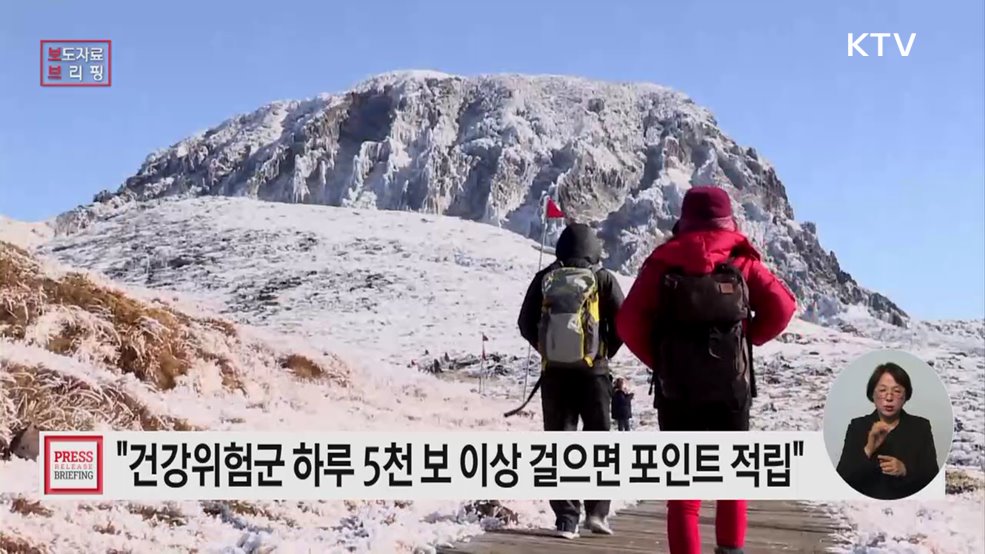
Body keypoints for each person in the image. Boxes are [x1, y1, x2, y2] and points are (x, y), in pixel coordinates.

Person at [615, 186, 797, 554]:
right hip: (731, 390)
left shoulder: (663, 262)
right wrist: (746, 342)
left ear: (684, 220)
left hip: (677, 392)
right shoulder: (743, 262)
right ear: (729, 220)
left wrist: (662, 361)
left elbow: (627, 322)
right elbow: (783, 309)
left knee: (684, 497)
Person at [515, 222, 625, 539]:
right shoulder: (603, 279)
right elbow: (623, 322)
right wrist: (604, 353)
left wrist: (546, 349)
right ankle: (597, 513)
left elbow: (525, 322)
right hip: (595, 374)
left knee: (559, 443)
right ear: (593, 249)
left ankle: (566, 518)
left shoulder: (546, 277)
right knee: (598, 442)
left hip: (555, 375)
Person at [835, 362, 939, 500]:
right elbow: (842, 479)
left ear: (905, 396)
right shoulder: (857, 426)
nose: (889, 398)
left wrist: (905, 470)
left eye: (896, 391)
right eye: (882, 390)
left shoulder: (921, 427)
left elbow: (932, 477)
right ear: (872, 394)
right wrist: (868, 449)